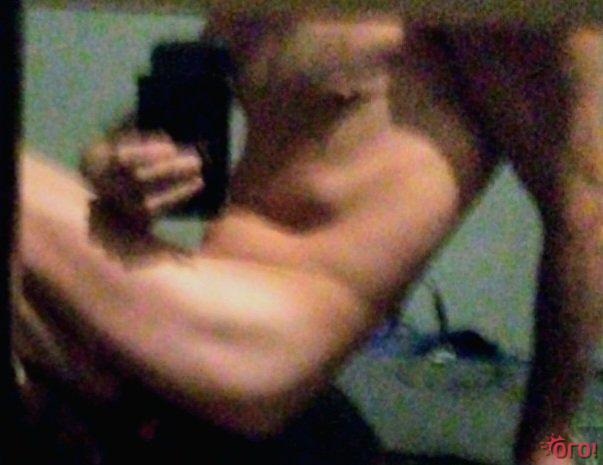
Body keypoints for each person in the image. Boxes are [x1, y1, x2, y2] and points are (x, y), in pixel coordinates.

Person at [16, 6, 602, 465]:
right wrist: (115, 167)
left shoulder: (478, 20)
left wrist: (549, 445)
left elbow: (587, 208)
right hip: (200, 292)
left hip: (274, 339)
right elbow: (131, 142)